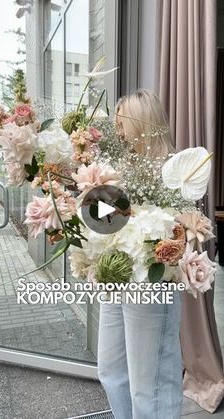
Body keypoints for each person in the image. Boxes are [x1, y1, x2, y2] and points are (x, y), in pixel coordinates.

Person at [97, 89, 184, 419]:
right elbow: (107, 220)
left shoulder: (173, 171)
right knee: (111, 369)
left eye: (123, 123)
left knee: (150, 384)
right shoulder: (117, 167)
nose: (118, 131)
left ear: (143, 123)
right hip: (116, 278)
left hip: (151, 283)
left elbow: (181, 228)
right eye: (116, 123)